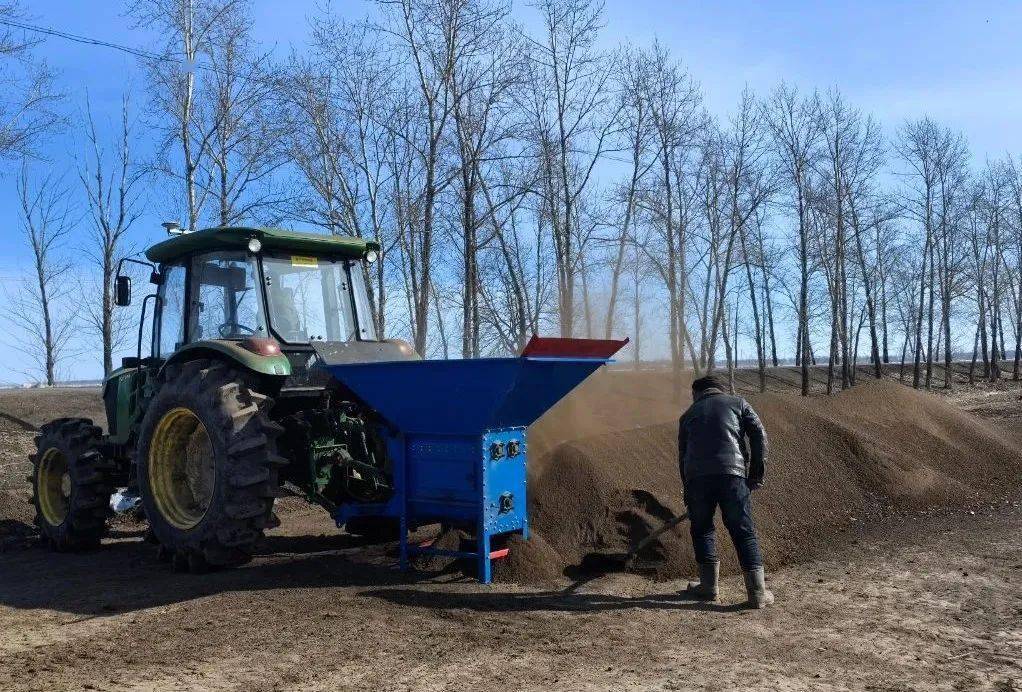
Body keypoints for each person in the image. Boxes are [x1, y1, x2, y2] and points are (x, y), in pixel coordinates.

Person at [678, 374, 773, 608]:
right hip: (733, 475)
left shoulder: (688, 415)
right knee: (743, 530)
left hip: (697, 478)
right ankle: (758, 593)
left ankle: (709, 587)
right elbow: (759, 435)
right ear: (720, 390)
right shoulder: (739, 403)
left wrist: (688, 492)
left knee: (701, 530)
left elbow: (683, 457)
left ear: (697, 393)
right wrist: (756, 474)